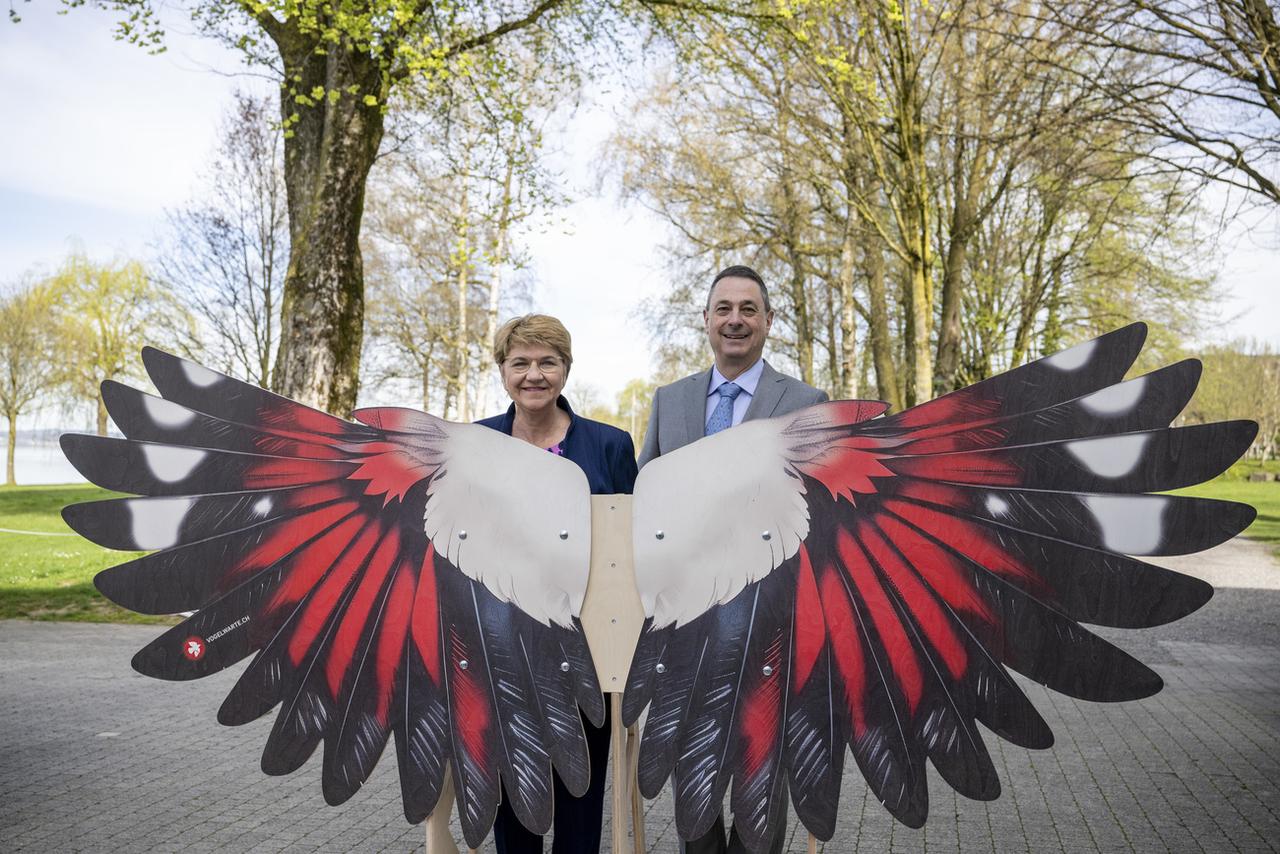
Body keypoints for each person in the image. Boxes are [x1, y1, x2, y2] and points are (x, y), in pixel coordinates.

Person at [637, 265, 828, 853]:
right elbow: (646, 493)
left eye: (749, 309)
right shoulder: (672, 401)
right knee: (693, 779)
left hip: (769, 627)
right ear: (706, 321)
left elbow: (818, 514)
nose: (735, 320)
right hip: (684, 627)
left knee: (759, 772)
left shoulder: (805, 402)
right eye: (724, 308)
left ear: (768, 322)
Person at [478, 313, 638, 853]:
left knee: (580, 798)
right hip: (501, 651)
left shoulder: (610, 446)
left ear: (566, 370)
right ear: (503, 370)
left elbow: (630, 548)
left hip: (587, 649)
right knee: (514, 799)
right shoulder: (475, 445)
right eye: (520, 362)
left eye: (547, 362)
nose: (534, 374)